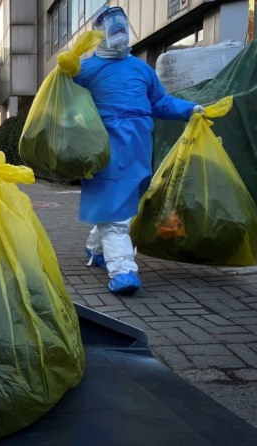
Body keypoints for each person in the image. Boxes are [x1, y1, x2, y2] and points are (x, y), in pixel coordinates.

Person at [72, 6, 205, 295]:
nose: (118, 34)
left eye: (122, 28)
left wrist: (189, 109)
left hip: (139, 147)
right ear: (98, 35)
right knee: (118, 212)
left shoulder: (141, 69)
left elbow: (160, 102)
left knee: (121, 205)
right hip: (105, 148)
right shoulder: (85, 71)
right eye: (112, 29)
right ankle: (122, 271)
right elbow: (62, 104)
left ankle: (96, 249)